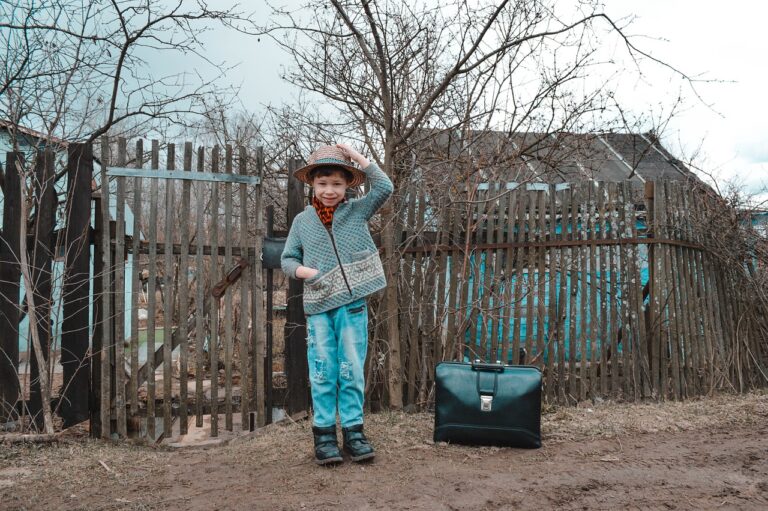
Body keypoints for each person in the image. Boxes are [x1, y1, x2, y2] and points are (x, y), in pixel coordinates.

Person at [281, 143, 393, 465]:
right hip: (318, 307)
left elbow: (384, 186)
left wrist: (358, 159)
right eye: (323, 183)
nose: (329, 190)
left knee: (351, 369)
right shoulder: (302, 222)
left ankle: (355, 434)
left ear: (347, 186)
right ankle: (325, 436)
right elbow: (288, 259)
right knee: (322, 371)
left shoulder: (358, 210)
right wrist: (304, 271)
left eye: (337, 184)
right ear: (312, 185)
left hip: (353, 305)